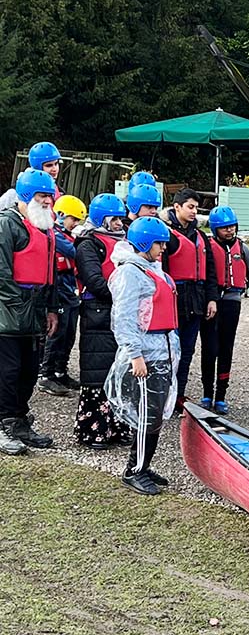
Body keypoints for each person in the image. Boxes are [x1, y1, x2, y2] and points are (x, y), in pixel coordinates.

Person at [105, 217, 179, 495]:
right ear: (146, 243)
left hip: (162, 350)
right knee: (147, 414)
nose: (163, 248)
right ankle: (133, 470)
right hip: (146, 355)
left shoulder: (152, 269)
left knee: (155, 414)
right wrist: (135, 355)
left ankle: (143, 465)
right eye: (159, 243)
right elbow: (123, 317)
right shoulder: (130, 273)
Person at [0, 169, 58, 454]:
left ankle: (19, 419)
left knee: (29, 370)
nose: (48, 201)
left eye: (50, 196)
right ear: (26, 195)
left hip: (34, 312)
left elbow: (49, 271)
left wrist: (51, 308)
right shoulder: (6, 224)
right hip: (8, 314)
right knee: (7, 371)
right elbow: (1, 271)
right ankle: (4, 423)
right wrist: (19, 303)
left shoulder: (43, 227)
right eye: (42, 195)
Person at [74, 193, 132, 448]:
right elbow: (94, 280)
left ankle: (117, 427)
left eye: (120, 219)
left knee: (118, 370)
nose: (119, 224)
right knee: (97, 372)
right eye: (114, 219)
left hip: (118, 310)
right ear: (101, 219)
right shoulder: (88, 244)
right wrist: (124, 293)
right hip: (97, 312)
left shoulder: (124, 242)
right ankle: (93, 430)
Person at [162, 188, 218, 409]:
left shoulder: (201, 237)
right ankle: (163, 395)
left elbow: (210, 270)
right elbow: (162, 270)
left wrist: (212, 299)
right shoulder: (166, 235)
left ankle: (179, 395)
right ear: (177, 207)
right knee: (169, 351)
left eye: (196, 208)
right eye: (190, 207)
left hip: (196, 299)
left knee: (187, 351)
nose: (194, 211)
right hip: (175, 299)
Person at [199, 205, 249, 414]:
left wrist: (237, 292)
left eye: (232, 226)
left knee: (226, 349)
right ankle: (207, 393)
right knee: (209, 348)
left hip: (231, 302)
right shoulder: (208, 247)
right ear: (215, 230)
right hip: (211, 302)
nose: (229, 230)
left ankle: (221, 396)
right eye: (224, 228)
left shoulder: (243, 248)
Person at [38, 194, 87, 396]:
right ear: (60, 215)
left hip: (70, 289)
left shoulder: (68, 235)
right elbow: (74, 251)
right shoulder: (55, 234)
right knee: (57, 332)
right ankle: (46, 375)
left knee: (69, 334)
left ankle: (60, 371)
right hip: (59, 290)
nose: (75, 224)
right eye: (73, 219)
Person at [0, 142, 63, 211]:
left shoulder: (58, 191)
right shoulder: (15, 193)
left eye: (56, 164)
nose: (54, 169)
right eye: (49, 165)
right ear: (37, 167)